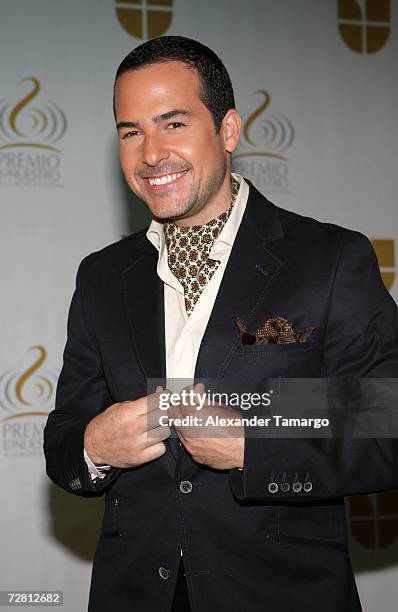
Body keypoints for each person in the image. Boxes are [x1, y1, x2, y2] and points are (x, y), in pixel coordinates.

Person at [44, 36, 398, 612]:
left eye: (173, 123)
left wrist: (255, 445)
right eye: (130, 131)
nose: (150, 153)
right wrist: (93, 447)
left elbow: (386, 412)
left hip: (281, 593)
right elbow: (64, 436)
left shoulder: (328, 258)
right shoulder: (102, 276)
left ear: (228, 130)